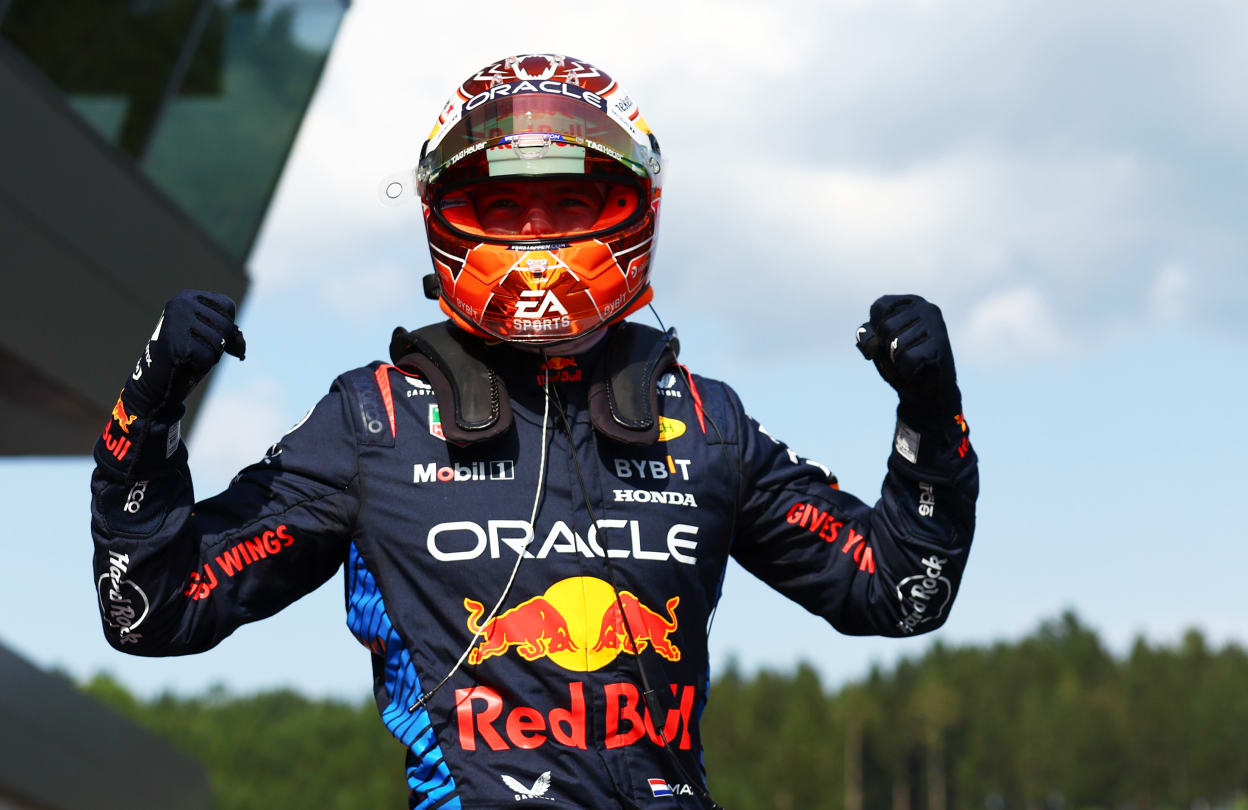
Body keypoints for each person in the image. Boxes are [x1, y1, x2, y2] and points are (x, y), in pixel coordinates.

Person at [90, 53, 978, 810]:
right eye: (505, 208)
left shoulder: (706, 423)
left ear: (632, 209)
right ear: (445, 217)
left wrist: (931, 416)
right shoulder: (373, 420)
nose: (536, 237)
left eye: (567, 205)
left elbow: (899, 592)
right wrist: (149, 418)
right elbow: (154, 612)